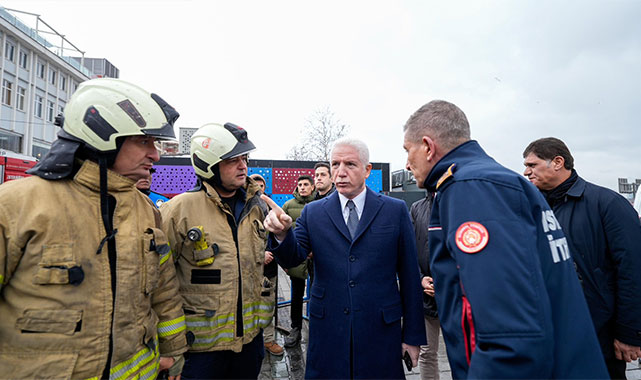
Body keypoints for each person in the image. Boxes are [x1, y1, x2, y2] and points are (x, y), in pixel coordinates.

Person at [402, 100, 608, 379]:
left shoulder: (472, 188)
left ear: (428, 146)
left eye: (408, 150)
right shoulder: (493, 180)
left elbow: (510, 334)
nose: (406, 162)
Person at [0, 78, 187, 379]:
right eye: (144, 141)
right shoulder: (15, 206)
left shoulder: (146, 211)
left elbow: (164, 292)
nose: (155, 154)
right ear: (102, 136)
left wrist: (173, 352)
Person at [263, 137, 426, 379]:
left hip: (380, 330)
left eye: (349, 164)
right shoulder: (313, 212)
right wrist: (282, 234)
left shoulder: (394, 210)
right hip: (329, 328)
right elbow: (293, 258)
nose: (340, 172)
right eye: (335, 164)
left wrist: (412, 336)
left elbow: (410, 275)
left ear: (367, 170)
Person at [160, 123, 272, 379]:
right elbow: (159, 282)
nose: (243, 165)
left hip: (249, 345)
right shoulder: (178, 210)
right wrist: (170, 348)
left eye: (244, 158)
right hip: (200, 351)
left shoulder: (257, 207)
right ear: (208, 166)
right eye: (233, 160)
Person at [523, 137, 641, 379]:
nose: (526, 172)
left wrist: (629, 333)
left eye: (532, 165)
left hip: (599, 335)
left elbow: (632, 271)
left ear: (557, 162)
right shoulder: (533, 210)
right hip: (550, 332)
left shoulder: (607, 204)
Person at [249, 173, 284, 356]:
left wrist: (271, 253)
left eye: (261, 185)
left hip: (268, 269)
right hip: (247, 270)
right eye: (254, 184)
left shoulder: (270, 210)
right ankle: (250, 342)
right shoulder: (241, 209)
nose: (257, 188)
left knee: (267, 305)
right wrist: (258, 254)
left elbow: (276, 237)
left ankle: (268, 340)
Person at [281, 174, 316, 347]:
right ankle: (296, 330)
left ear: (312, 187)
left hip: (317, 260)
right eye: (299, 184)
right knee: (296, 296)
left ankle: (318, 330)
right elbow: (282, 234)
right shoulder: (288, 205)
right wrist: (286, 262)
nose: (302, 187)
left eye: (305, 184)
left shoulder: (320, 204)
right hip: (297, 258)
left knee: (318, 295)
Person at [409, 193, 441, 380]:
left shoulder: (465, 203)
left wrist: (449, 282)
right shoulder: (417, 208)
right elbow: (410, 250)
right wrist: (421, 278)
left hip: (459, 295)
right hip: (427, 294)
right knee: (427, 353)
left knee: (464, 351)